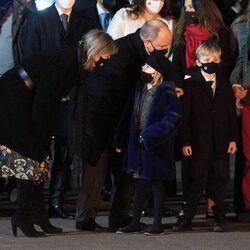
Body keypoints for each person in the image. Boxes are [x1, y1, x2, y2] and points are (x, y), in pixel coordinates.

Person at [0, 29, 117, 237]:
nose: (104, 62)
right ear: (96, 51)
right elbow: (43, 103)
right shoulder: (67, 62)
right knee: (31, 155)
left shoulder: (72, 60)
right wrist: (41, 136)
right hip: (13, 99)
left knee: (40, 156)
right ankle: (22, 214)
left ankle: (37, 214)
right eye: (104, 57)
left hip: (22, 98)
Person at [74, 19, 173, 230]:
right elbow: (109, 95)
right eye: (162, 48)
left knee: (125, 172)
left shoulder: (141, 52)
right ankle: (86, 218)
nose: (164, 52)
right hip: (102, 119)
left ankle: (119, 217)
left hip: (122, 120)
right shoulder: (120, 55)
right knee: (96, 171)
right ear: (147, 42)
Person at [21, 0, 92, 220]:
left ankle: (56, 201)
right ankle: (35, 202)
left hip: (72, 94)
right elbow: (29, 55)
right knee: (40, 149)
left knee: (65, 150)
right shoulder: (38, 19)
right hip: (44, 94)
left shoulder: (85, 21)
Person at [171, 0, 233, 218]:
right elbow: (176, 67)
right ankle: (189, 204)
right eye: (185, 7)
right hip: (188, 96)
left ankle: (213, 206)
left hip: (213, 94)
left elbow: (225, 64)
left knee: (216, 162)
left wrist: (203, 77)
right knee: (193, 156)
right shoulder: (181, 35)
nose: (187, 10)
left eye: (191, 6)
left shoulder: (220, 35)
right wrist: (182, 84)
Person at [114, 52, 182, 235]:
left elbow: (173, 118)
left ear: (157, 72)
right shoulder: (140, 89)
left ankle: (157, 224)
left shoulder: (166, 92)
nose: (143, 69)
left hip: (155, 146)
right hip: (138, 145)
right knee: (140, 185)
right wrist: (121, 139)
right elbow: (128, 114)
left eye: (147, 66)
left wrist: (151, 134)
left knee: (156, 185)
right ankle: (135, 222)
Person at [0, 0, 37, 201]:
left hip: (14, 80)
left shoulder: (28, 10)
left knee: (13, 135)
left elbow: (29, 48)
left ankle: (13, 184)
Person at [230, 12, 250, 220]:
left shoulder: (241, 25)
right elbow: (241, 60)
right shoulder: (242, 26)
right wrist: (236, 86)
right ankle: (244, 204)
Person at [107, 0, 180, 39]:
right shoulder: (124, 15)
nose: (158, 2)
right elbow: (110, 44)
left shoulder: (169, 22)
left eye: (162, 0)